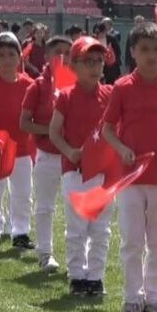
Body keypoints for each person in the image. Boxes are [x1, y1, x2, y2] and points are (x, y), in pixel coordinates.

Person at [101, 22, 157, 312]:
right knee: (132, 240)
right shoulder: (123, 87)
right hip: (131, 177)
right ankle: (131, 299)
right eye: (145, 50)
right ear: (133, 52)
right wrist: (121, 148)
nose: (151, 56)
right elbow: (107, 129)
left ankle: (155, 300)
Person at [48, 37, 115, 297]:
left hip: (102, 172)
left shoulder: (109, 94)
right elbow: (54, 132)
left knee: (100, 228)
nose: (95, 67)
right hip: (74, 171)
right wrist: (70, 152)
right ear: (73, 65)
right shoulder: (66, 96)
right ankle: (77, 275)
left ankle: (95, 277)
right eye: (88, 61)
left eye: (99, 61)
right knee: (77, 227)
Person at [0, 32, 35, 253]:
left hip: (21, 148)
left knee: (22, 192)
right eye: (1, 55)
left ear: (19, 57)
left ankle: (20, 232)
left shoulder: (29, 84)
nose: (6, 60)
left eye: (11, 54)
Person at [21, 35, 74, 274]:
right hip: (47, 155)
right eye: (58, 52)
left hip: (73, 157)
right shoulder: (38, 86)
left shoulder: (79, 85)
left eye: (68, 53)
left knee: (75, 208)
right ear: (47, 57)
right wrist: (51, 132)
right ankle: (45, 253)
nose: (63, 57)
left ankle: (77, 257)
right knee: (45, 206)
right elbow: (24, 122)